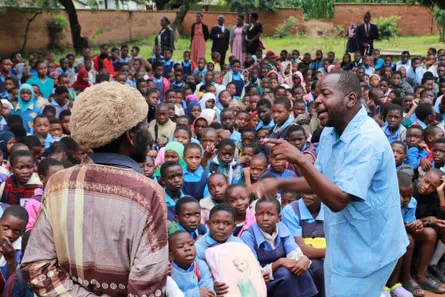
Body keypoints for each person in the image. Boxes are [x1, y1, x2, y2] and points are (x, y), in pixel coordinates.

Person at [252, 71, 408, 297]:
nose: (316, 100)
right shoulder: (329, 133)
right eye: (316, 94)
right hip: (345, 243)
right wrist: (278, 186)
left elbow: (338, 200)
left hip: (370, 248)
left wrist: (298, 159)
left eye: (325, 94)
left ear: (351, 99)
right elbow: (319, 181)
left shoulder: (367, 140)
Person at [21, 82, 168, 296]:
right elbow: (148, 283)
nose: (147, 133)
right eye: (143, 126)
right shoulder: (148, 192)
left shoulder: (59, 184)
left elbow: (37, 268)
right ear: (130, 136)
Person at [241, 198, 318, 297]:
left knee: (302, 269)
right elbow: (253, 271)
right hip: (262, 281)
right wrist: (279, 262)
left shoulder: (282, 228)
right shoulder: (248, 235)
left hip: (283, 276)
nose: (265, 218)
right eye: (260, 214)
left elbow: (294, 253)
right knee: (285, 274)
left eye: (270, 214)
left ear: (279, 217)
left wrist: (303, 259)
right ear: (255, 216)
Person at [282, 194, 326, 297]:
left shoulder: (329, 208)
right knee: (317, 268)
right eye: (304, 191)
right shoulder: (291, 210)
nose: (307, 196)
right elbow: (301, 249)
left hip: (326, 256)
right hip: (300, 257)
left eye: (312, 192)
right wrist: (332, 252)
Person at [169, 231, 215, 297]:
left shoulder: (200, 265)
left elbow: (208, 290)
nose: (188, 249)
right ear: (171, 255)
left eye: (191, 244)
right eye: (181, 246)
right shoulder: (168, 271)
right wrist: (196, 294)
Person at [24, 158, 65, 231]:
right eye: (56, 177)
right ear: (42, 178)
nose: (61, 180)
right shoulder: (34, 203)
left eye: (63, 176)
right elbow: (28, 230)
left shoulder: (67, 198)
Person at [0, 205, 29, 281]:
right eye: (5, 228)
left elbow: (15, 286)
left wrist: (11, 261)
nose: (9, 234)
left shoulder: (23, 252)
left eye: (16, 231)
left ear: (23, 232)